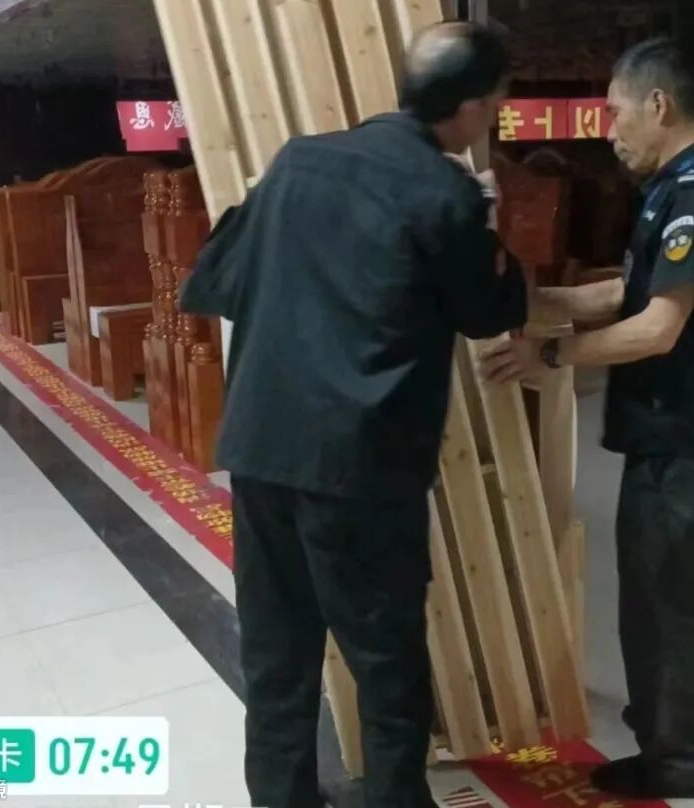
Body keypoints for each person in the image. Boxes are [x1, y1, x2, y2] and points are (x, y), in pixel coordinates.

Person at [179, 21, 525, 808]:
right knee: (385, 659)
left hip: (262, 446)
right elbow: (487, 312)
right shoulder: (446, 195)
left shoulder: (298, 160)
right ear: (474, 108)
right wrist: (490, 227)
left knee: (277, 650)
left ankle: (281, 797)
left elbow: (218, 275)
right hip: (360, 467)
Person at [481, 37, 694, 800]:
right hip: (661, 431)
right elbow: (624, 294)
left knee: (661, 601)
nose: (608, 131)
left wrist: (554, 358)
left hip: (684, 435)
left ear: (659, 105)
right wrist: (534, 306)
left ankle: (684, 763)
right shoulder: (669, 190)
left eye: (614, 112)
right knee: (646, 596)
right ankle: (664, 746)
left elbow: (658, 327)